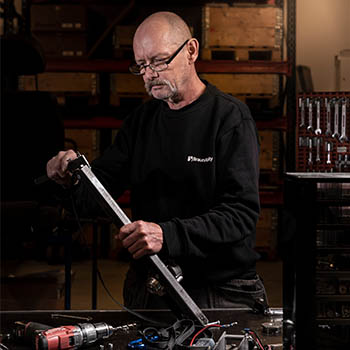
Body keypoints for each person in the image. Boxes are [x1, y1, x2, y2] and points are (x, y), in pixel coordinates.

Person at [47, 11, 268, 311]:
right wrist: (72, 177)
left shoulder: (229, 120)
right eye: (141, 66)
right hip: (151, 284)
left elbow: (240, 215)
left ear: (191, 51)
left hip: (219, 289)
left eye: (159, 61)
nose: (150, 74)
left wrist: (168, 234)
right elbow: (97, 192)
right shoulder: (141, 122)